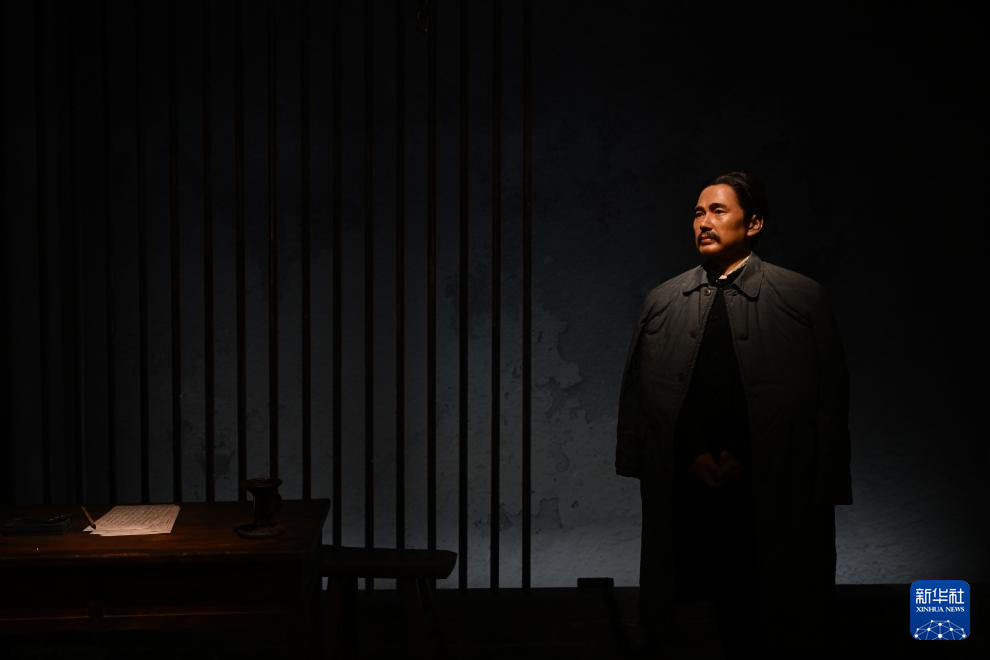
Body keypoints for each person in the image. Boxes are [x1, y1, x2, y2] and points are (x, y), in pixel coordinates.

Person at [615, 172, 852, 659]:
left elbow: (822, 399)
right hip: (686, 489)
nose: (703, 222)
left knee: (771, 617)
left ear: (754, 223)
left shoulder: (801, 297)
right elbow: (646, 393)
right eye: (698, 213)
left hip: (774, 488)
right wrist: (688, 453)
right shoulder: (663, 301)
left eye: (718, 211)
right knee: (687, 619)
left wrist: (755, 456)